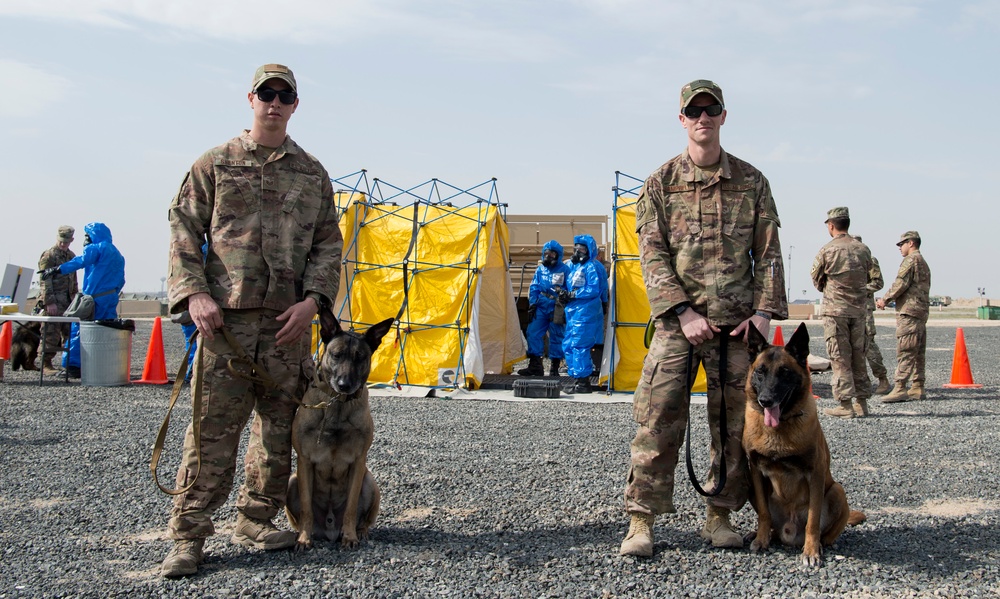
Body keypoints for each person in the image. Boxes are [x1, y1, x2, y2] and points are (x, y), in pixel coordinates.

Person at [160, 63, 343, 578]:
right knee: (211, 430)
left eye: (285, 95)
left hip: (288, 323)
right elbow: (183, 229)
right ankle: (189, 536)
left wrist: (313, 302)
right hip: (226, 325)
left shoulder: (312, 173)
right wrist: (194, 294)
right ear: (251, 98)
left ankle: (256, 519)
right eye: (267, 93)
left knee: (280, 428)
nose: (275, 102)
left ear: (295, 105)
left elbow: (330, 244)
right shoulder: (216, 163)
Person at [620, 79, 787, 558]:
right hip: (679, 324)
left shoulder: (752, 182)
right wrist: (681, 310)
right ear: (681, 120)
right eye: (693, 112)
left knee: (736, 424)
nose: (702, 118)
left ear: (723, 116)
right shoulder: (660, 184)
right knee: (656, 418)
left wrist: (762, 314)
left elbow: (769, 252)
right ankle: (641, 520)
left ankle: (720, 516)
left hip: (739, 330)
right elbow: (650, 255)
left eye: (710, 110)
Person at [810, 208, 874, 418]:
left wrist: (830, 290)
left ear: (831, 225)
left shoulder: (828, 250)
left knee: (839, 358)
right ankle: (862, 403)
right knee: (858, 356)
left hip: (835, 312)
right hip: (858, 311)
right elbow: (870, 277)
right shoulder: (863, 249)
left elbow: (816, 278)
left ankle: (845, 405)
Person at [40, 222, 126, 378]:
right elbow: (121, 280)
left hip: (94, 299)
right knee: (105, 332)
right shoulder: (117, 254)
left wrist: (58, 269)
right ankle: (100, 364)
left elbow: (80, 262)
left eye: (87, 236)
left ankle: (73, 366)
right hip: (110, 299)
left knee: (80, 331)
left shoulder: (96, 248)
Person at [876, 231, 931, 403]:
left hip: (909, 312)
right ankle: (917, 386)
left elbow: (900, 283)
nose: (900, 248)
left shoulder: (911, 260)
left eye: (902, 244)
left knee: (906, 350)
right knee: (918, 351)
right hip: (920, 312)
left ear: (911, 243)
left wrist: (884, 299)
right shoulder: (923, 263)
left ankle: (900, 387)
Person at [518, 240, 570, 377]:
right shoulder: (540, 269)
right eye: (546, 253)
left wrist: (566, 301)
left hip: (556, 306)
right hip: (541, 305)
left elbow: (570, 288)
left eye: (552, 253)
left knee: (557, 335)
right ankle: (536, 366)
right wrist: (533, 303)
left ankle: (554, 367)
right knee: (533, 332)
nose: (549, 256)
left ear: (558, 255)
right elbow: (534, 286)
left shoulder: (565, 270)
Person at [561, 234, 605, 393]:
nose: (578, 251)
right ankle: (576, 378)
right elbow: (567, 284)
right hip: (573, 310)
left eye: (582, 248)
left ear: (590, 250)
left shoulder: (591, 266)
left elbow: (594, 289)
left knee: (580, 345)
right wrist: (564, 295)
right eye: (576, 248)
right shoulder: (574, 266)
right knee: (568, 344)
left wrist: (573, 295)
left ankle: (583, 383)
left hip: (586, 310)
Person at [36, 225, 79, 375]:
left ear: (71, 240)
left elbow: (73, 279)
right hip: (54, 302)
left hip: (67, 302)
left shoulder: (71, 257)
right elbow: (44, 280)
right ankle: (45, 363)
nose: (63, 244)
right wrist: (49, 301)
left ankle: (69, 362)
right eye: (61, 241)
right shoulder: (49, 256)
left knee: (69, 334)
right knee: (50, 333)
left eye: (66, 241)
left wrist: (75, 297)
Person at [854, 235, 890, 395]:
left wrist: (860, 289)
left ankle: (882, 378)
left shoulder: (870, 260)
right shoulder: (843, 261)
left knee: (869, 345)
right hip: (847, 307)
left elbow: (878, 282)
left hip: (864, 308)